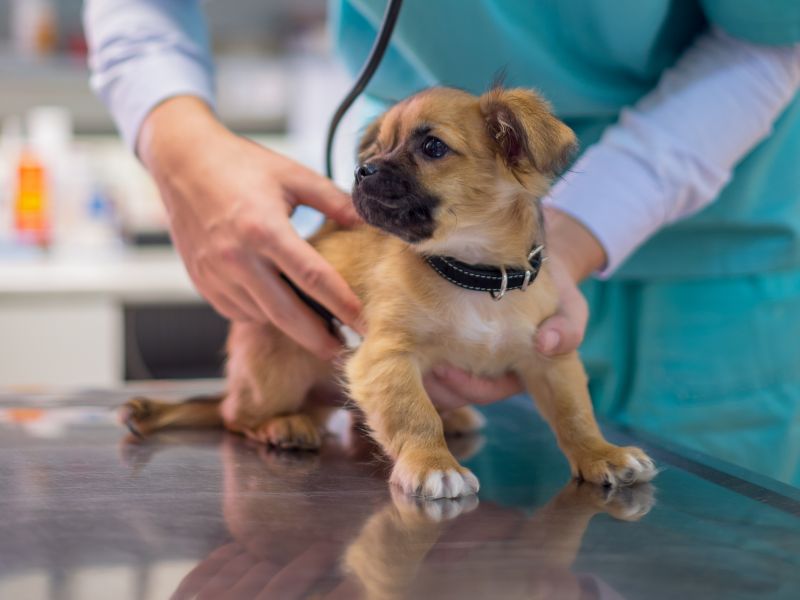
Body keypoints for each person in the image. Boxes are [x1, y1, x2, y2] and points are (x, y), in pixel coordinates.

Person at [84, 1, 800, 484]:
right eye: (375, 153)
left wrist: (580, 231)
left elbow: (771, 32)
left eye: (425, 148)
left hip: (714, 267)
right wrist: (177, 140)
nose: (374, 170)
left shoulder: (513, 148)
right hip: (418, 294)